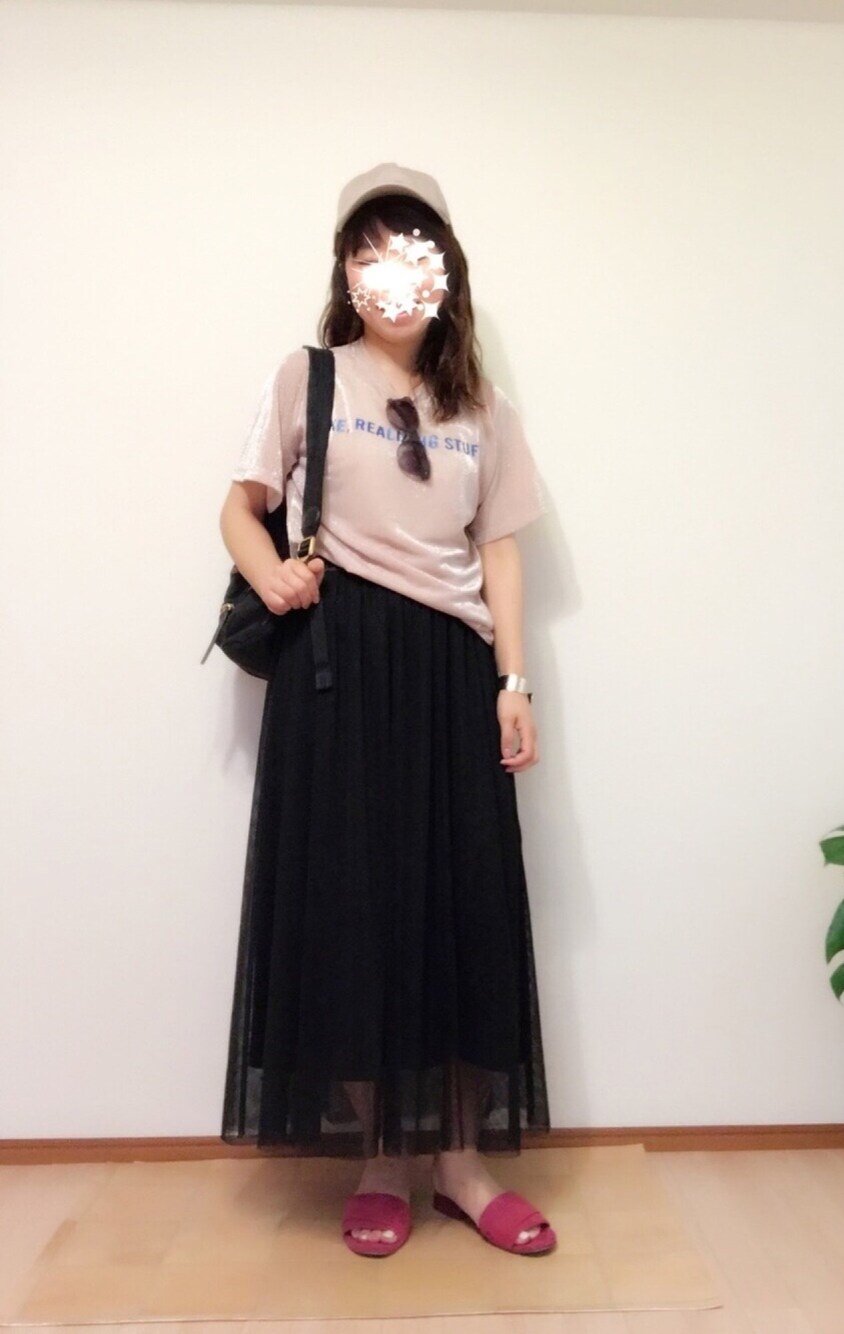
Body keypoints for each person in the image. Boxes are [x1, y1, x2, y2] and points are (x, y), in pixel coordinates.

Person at [217, 163, 556, 1258]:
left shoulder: (483, 409)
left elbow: (498, 550)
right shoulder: (309, 378)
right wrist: (270, 573)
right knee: (351, 913)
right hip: (338, 670)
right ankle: (380, 1162)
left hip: (452, 670)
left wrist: (513, 681)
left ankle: (461, 1163)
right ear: (347, 275)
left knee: (461, 906)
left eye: (412, 249)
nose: (392, 272)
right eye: (370, 251)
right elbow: (241, 507)